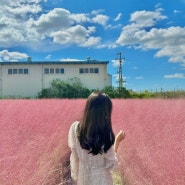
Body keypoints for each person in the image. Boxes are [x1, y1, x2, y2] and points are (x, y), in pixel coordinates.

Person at [68, 92, 125, 185]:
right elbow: (111, 165)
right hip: (102, 180)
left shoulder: (75, 128)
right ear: (106, 112)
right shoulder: (106, 134)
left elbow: (74, 157)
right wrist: (117, 141)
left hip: (83, 178)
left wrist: (77, 177)